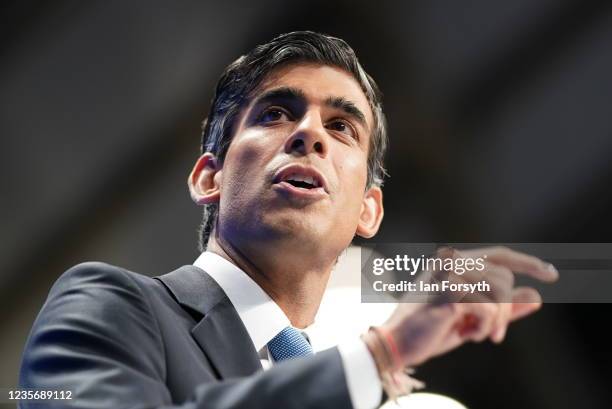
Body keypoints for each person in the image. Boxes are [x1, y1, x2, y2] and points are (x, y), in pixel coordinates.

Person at [18, 31, 558, 409]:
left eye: (343, 127)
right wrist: (379, 356)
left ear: (368, 211)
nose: (311, 135)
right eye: (275, 113)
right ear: (210, 177)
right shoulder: (108, 303)